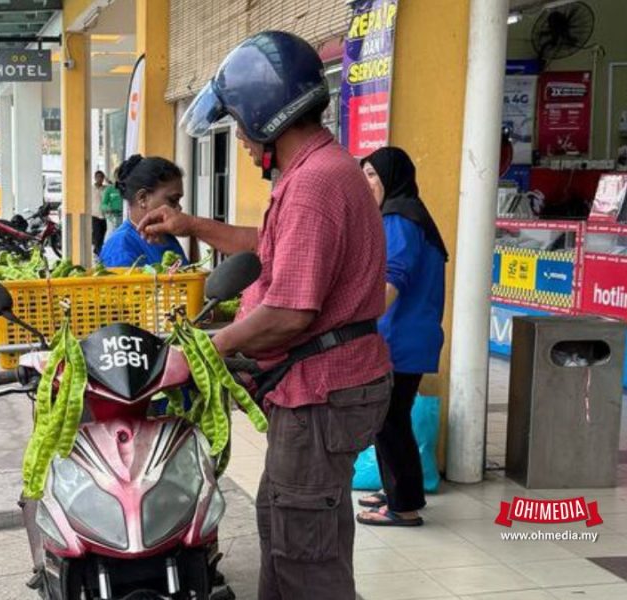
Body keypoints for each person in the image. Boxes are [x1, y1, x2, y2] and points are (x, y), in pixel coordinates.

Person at [138, 31, 391, 600]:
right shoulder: (316, 173)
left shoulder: (315, 184)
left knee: (306, 553)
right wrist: (193, 227)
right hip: (316, 389)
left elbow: (289, 313)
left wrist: (203, 349)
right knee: (284, 524)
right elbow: (274, 246)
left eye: (241, 127)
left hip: (321, 393)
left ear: (265, 118)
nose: (244, 145)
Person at [355, 147, 448, 528]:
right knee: (394, 418)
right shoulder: (414, 216)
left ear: (393, 179)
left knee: (389, 420)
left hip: (400, 338)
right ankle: (403, 491)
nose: (367, 183)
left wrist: (362, 322)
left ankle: (403, 506)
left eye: (373, 175)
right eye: (364, 175)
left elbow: (394, 277)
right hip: (413, 335)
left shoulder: (398, 218)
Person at [99, 155, 188, 268]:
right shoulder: (121, 247)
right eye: (173, 200)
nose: (179, 208)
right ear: (143, 198)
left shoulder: (165, 237)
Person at [91, 170, 108, 257]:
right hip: (95, 214)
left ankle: (97, 250)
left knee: (103, 233)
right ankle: (98, 251)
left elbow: (115, 188)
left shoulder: (106, 188)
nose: (100, 179)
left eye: (101, 177)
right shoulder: (91, 189)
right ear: (95, 178)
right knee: (97, 234)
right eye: (98, 177)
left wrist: (110, 182)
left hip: (104, 215)